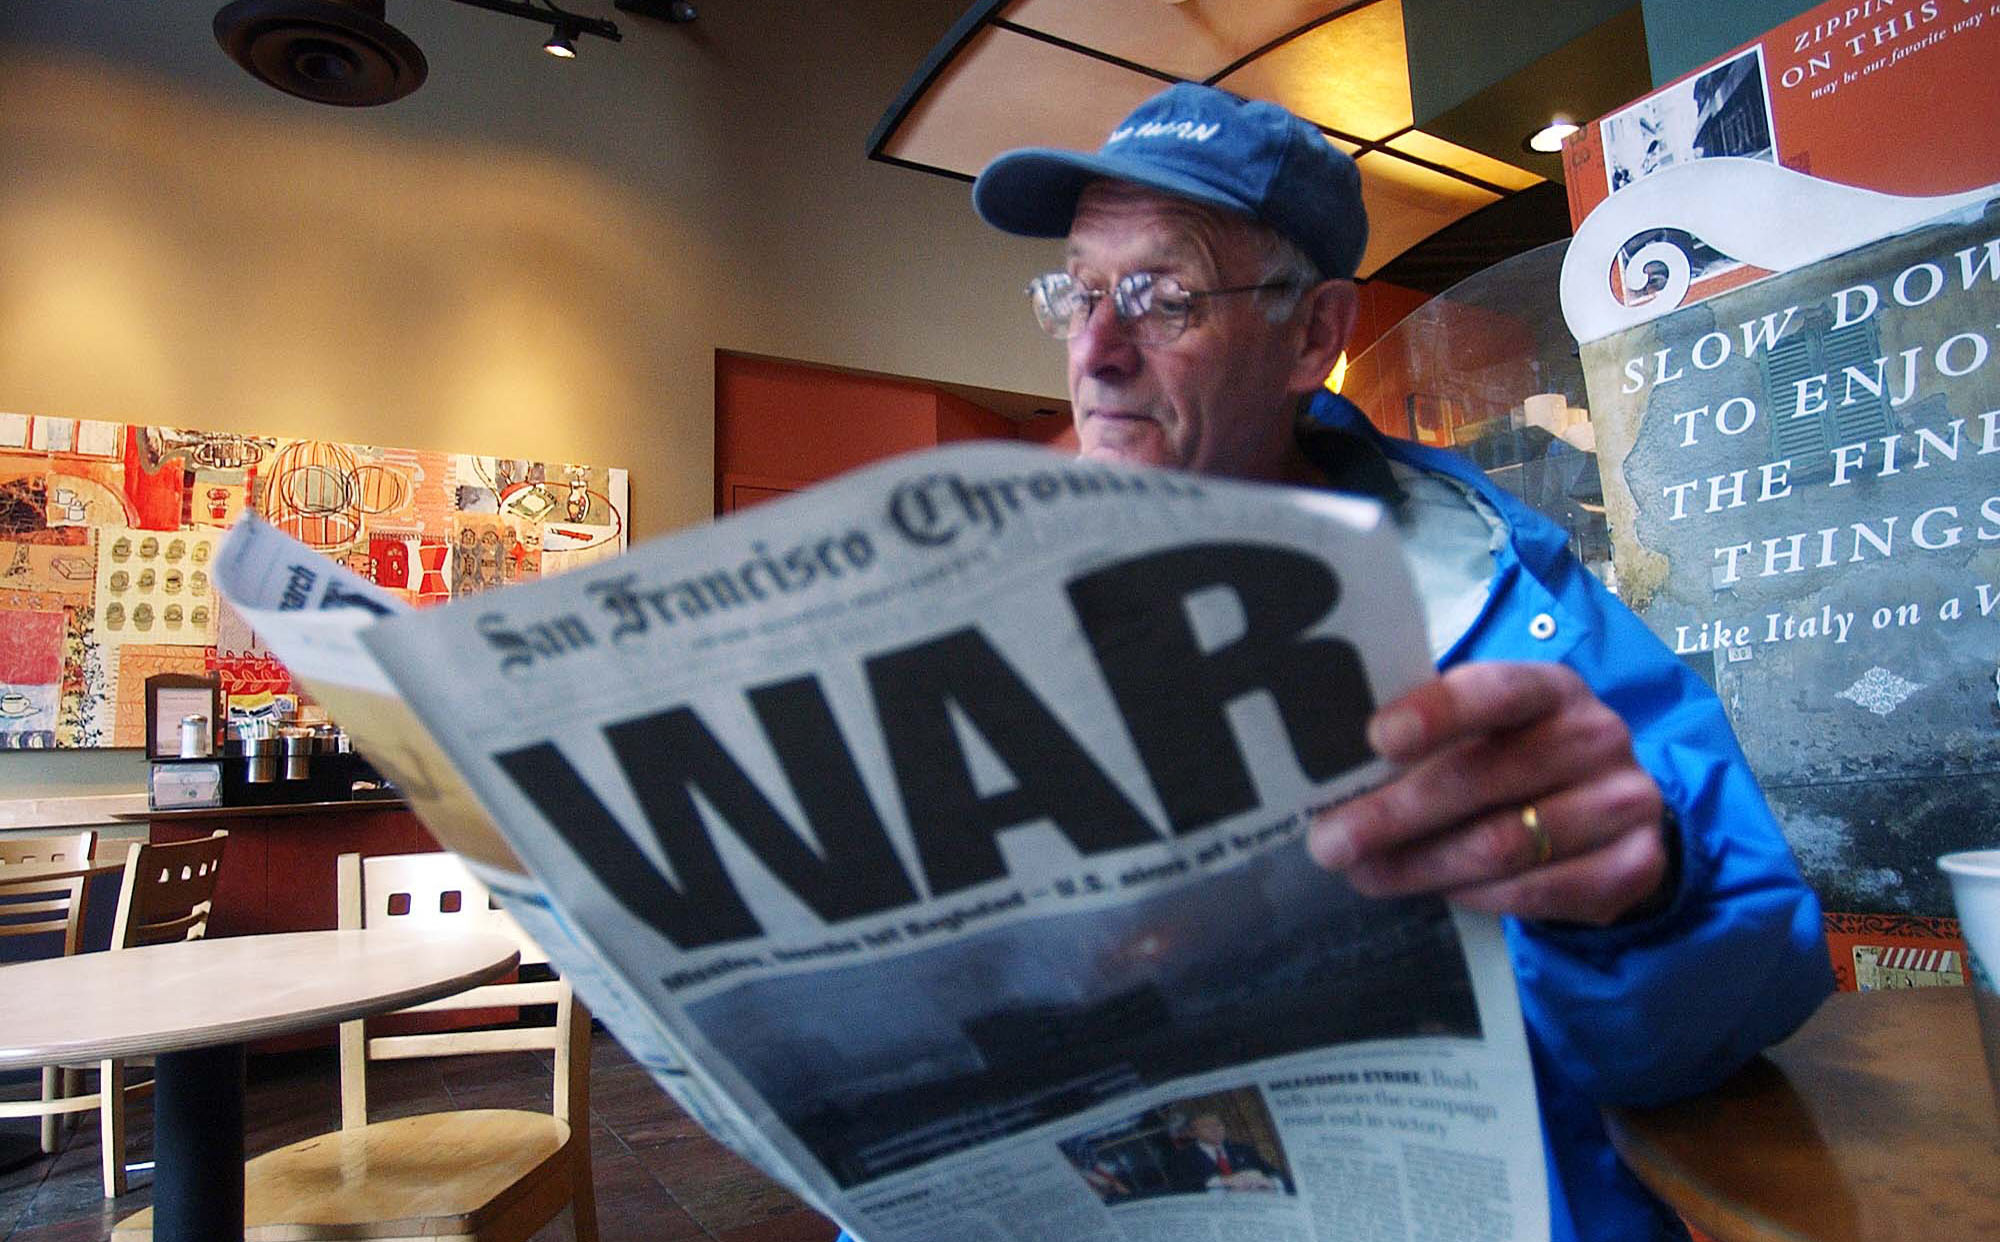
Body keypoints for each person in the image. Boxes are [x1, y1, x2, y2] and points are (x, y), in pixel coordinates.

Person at [837, 85, 1831, 1242]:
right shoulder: (960, 614)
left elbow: (1735, 1010)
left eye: (1159, 296)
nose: (1096, 353)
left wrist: (1640, 895)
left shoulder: (1511, 606)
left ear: (1311, 334)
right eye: (1078, 293)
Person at [1167, 1113, 1285, 1195]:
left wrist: (1273, 1182)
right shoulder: (1181, 1159)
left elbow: (1274, 1173)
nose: (1215, 1129)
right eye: (1206, 1126)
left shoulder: (1244, 1149)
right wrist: (1220, 1182)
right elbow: (1181, 1189)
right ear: (1192, 1133)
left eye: (1218, 1125)